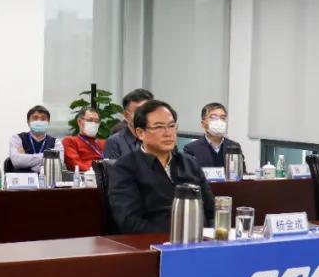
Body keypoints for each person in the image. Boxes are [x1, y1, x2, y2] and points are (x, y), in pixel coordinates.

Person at [108, 100, 215, 234]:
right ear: (140, 133)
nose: (168, 133)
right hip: (154, 242)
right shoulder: (125, 167)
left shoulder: (190, 163)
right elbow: (129, 222)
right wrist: (176, 235)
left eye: (171, 126)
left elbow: (211, 211)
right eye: (159, 127)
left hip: (198, 239)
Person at [182, 102, 243, 168]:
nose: (219, 122)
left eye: (223, 118)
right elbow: (188, 173)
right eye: (213, 117)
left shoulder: (234, 147)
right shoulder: (191, 149)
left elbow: (241, 172)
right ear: (203, 124)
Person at [8, 105, 62, 172]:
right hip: (22, 178)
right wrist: (48, 156)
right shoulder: (17, 138)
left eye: (43, 118)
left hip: (47, 178)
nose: (39, 121)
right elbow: (17, 161)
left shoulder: (56, 142)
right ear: (28, 122)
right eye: (35, 118)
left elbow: (59, 164)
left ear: (48, 122)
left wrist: (27, 161)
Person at [103, 88, 153, 160]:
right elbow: (112, 167)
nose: (145, 115)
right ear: (126, 115)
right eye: (139, 111)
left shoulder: (158, 138)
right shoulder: (115, 142)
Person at [62, 106, 105, 172]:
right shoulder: (70, 141)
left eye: (96, 121)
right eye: (90, 120)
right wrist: (101, 168)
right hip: (84, 176)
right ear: (79, 121)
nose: (94, 124)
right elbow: (75, 164)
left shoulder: (104, 143)